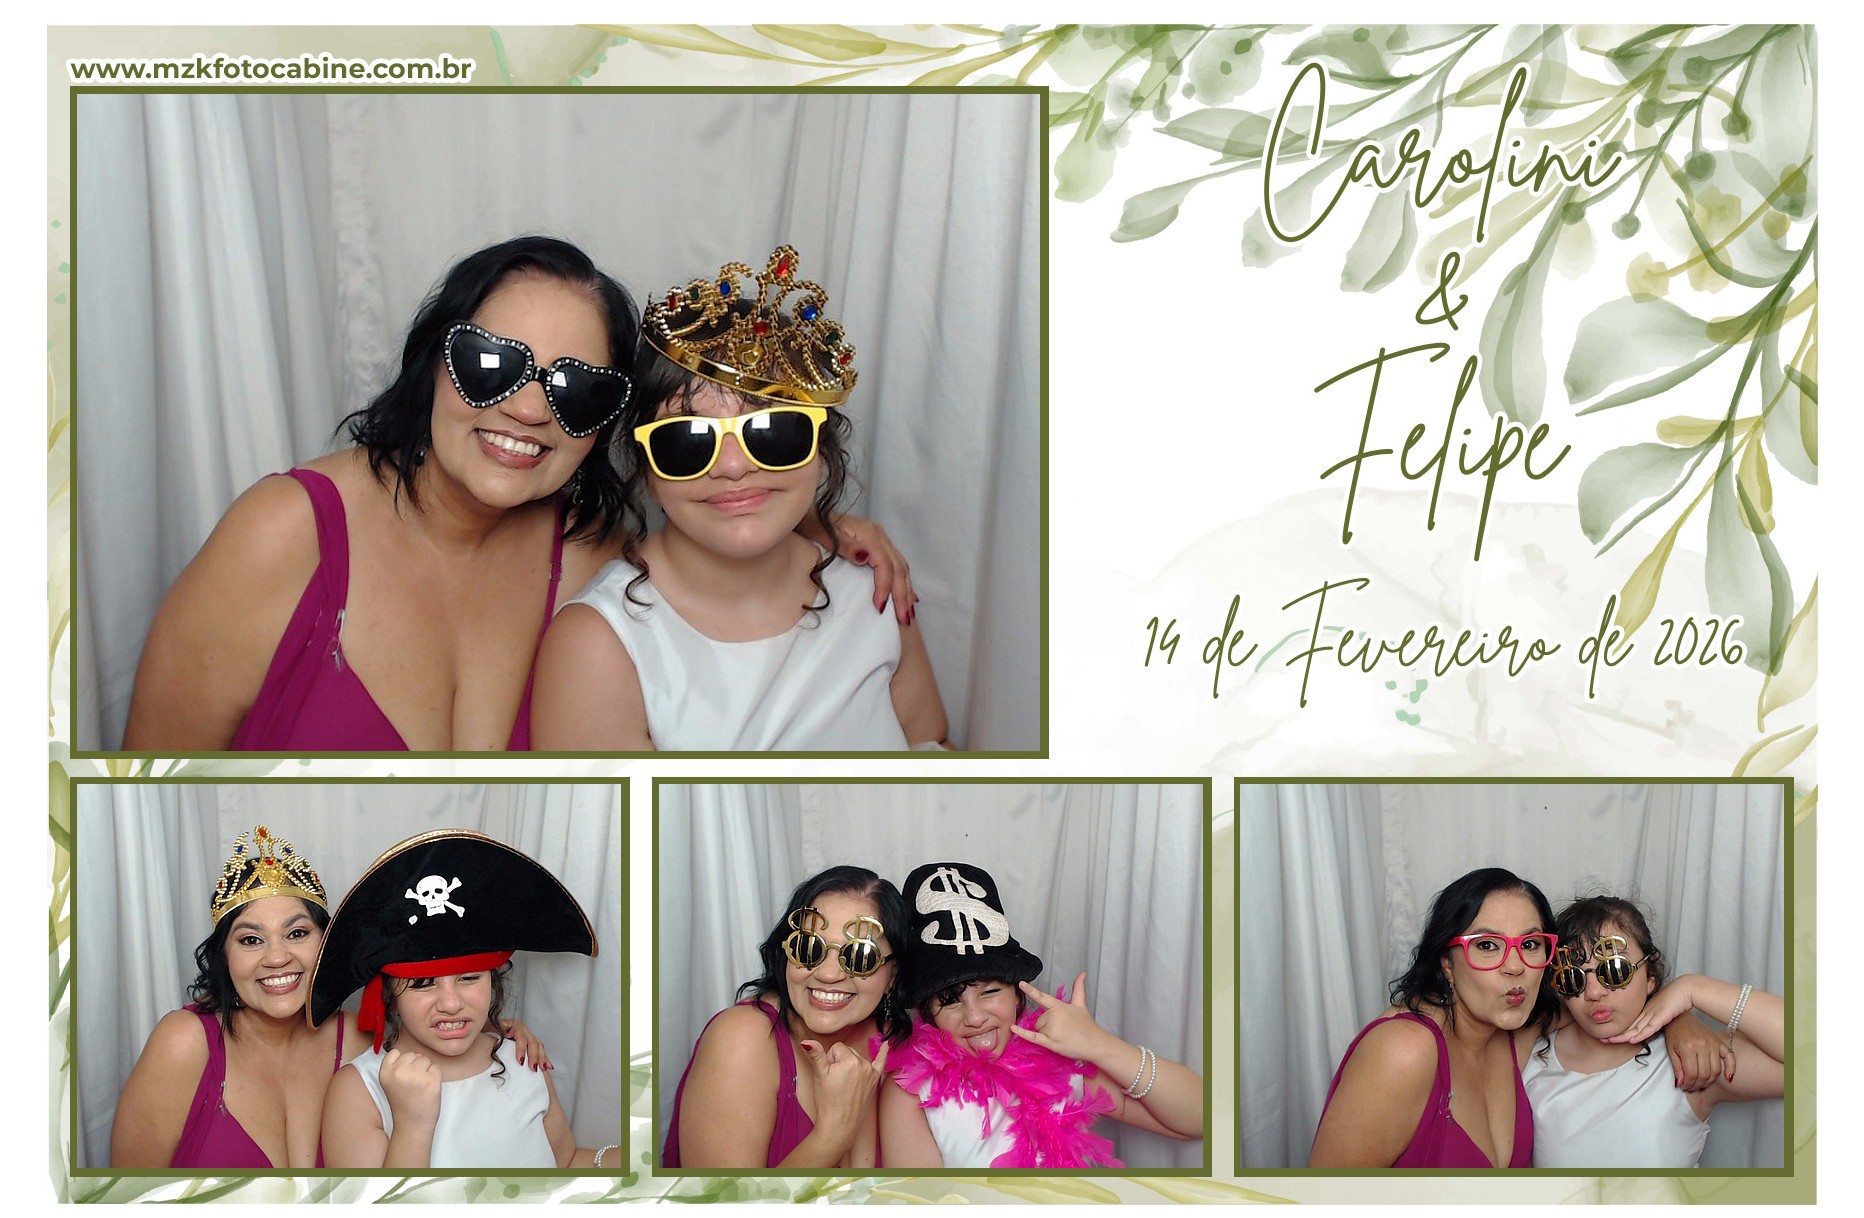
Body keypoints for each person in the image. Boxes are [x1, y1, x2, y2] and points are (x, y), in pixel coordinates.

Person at [121, 236, 914, 751]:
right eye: (492, 365)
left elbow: (718, 535)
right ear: (434, 361)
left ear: (605, 423)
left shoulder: (589, 562)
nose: (530, 410)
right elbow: (141, 778)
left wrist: (825, 525)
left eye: (576, 387)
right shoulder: (284, 533)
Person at [529, 246, 947, 751]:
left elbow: (934, 753)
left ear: (821, 450)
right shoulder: (597, 645)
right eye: (688, 440)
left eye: (773, 431)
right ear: (646, 468)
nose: (733, 466)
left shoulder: (875, 591)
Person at [107, 824, 550, 1169]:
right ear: (225, 957)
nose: (277, 957)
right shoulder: (186, 1042)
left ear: (327, 944)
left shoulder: (358, 1041)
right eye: (251, 940)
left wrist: (497, 1031)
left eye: (297, 933)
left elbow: (434, 1031)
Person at [313, 829, 614, 1169]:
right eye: (423, 985)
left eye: (469, 978)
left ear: (493, 982)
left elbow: (567, 1162)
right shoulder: (358, 1091)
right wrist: (412, 1125)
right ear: (389, 996)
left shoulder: (523, 1059)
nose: (451, 1003)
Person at [879, 862, 1204, 1168]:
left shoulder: (1060, 1064)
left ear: (1017, 994)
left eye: (990, 991)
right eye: (950, 1000)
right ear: (927, 1012)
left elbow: (1201, 1118)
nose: (975, 1017)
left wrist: (1098, 1045)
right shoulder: (909, 1091)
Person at [1308, 867, 1559, 1168]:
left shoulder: (1515, 1031)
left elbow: (1587, 1008)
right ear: (1447, 963)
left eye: (1530, 944)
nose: (1516, 967)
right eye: (1487, 945)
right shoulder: (1403, 1050)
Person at [663, 865, 909, 1168]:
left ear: (893, 975)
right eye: (809, 948)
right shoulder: (740, 1039)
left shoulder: (906, 1045)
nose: (828, 974)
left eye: (860, 957)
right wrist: (834, 1133)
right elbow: (719, 1197)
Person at [1523, 895, 1785, 1167]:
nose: (1594, 992)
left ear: (1650, 978)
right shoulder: (1530, 1059)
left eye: (1614, 970)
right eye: (1572, 977)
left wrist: (1691, 989)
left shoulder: (1690, 1060)